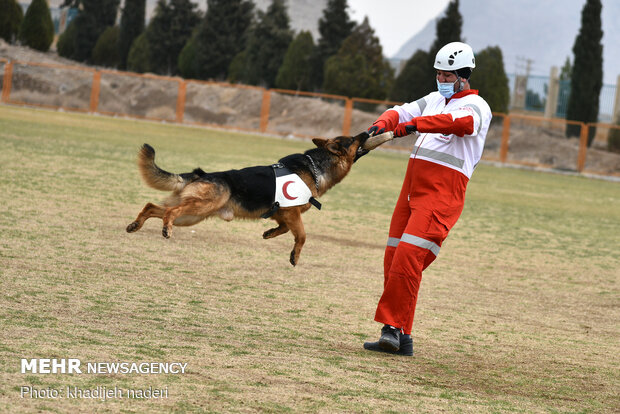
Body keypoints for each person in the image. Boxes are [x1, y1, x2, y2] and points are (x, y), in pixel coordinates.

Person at [363, 42, 492, 356]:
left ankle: (391, 328)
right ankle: (401, 337)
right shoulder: (434, 99)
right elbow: (401, 112)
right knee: (394, 256)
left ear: (464, 76)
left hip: (442, 194)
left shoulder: (478, 107)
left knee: (409, 256)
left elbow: (459, 124)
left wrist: (414, 126)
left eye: (446, 75)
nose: (441, 80)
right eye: (438, 74)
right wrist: (382, 124)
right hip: (411, 189)